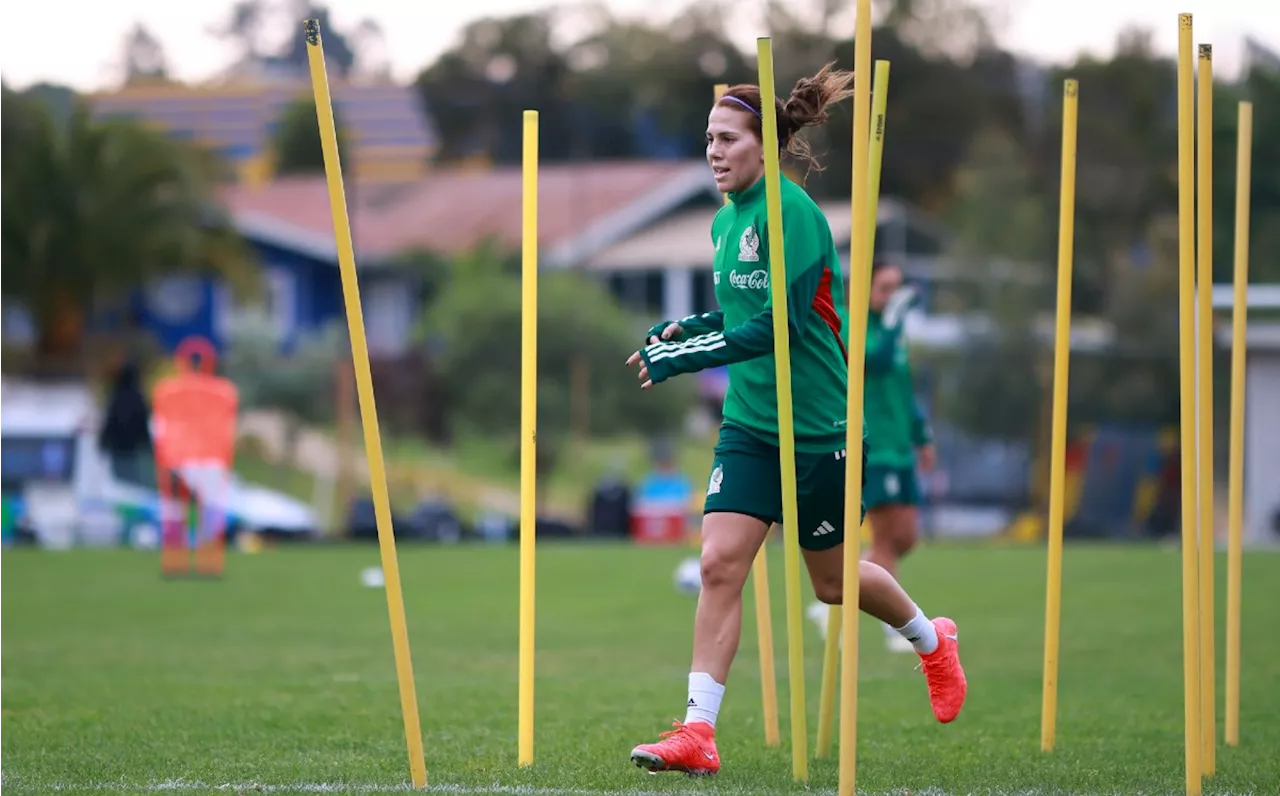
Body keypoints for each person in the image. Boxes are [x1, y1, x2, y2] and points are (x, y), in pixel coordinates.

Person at [623, 64, 967, 777]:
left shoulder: (797, 215)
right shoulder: (724, 221)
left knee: (834, 584)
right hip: (750, 423)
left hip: (818, 430)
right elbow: (737, 316)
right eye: (708, 140)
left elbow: (777, 326)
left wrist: (686, 359)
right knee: (719, 564)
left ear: (765, 143)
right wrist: (680, 328)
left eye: (727, 139)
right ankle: (698, 732)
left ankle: (931, 640)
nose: (714, 152)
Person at [808, 260, 936, 653]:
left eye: (897, 289)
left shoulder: (891, 330)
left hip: (899, 445)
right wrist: (896, 318)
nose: (891, 297)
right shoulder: (849, 320)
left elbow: (902, 384)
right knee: (885, 537)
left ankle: (830, 607)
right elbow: (874, 362)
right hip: (873, 444)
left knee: (906, 537)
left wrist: (921, 434)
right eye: (884, 288)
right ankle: (896, 626)